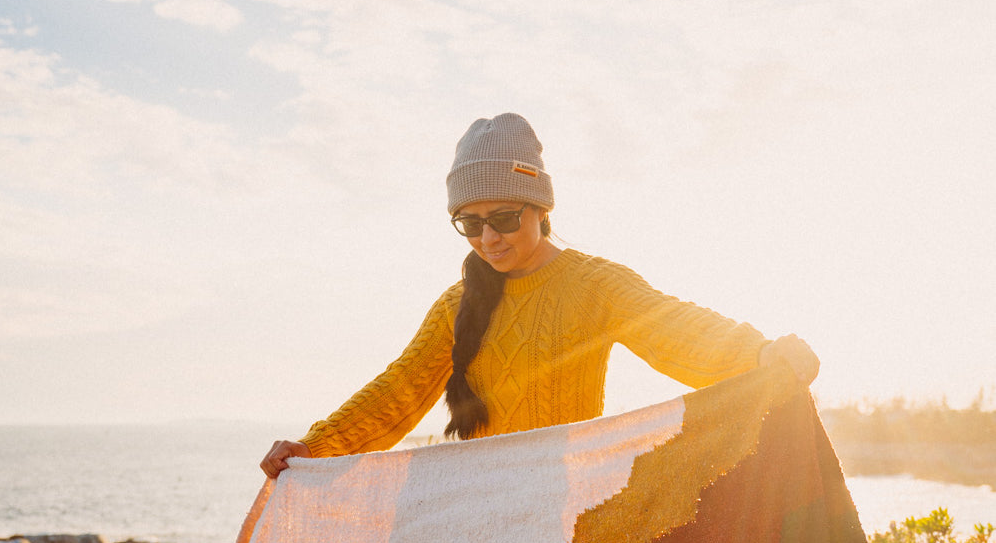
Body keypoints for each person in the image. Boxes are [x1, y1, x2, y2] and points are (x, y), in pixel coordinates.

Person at [261, 112, 818, 479]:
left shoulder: (594, 284)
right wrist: (316, 448)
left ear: (541, 209)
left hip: (562, 517)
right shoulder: (457, 305)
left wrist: (760, 354)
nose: (488, 237)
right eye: (469, 224)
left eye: (503, 217)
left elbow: (673, 327)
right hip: (472, 509)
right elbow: (399, 391)